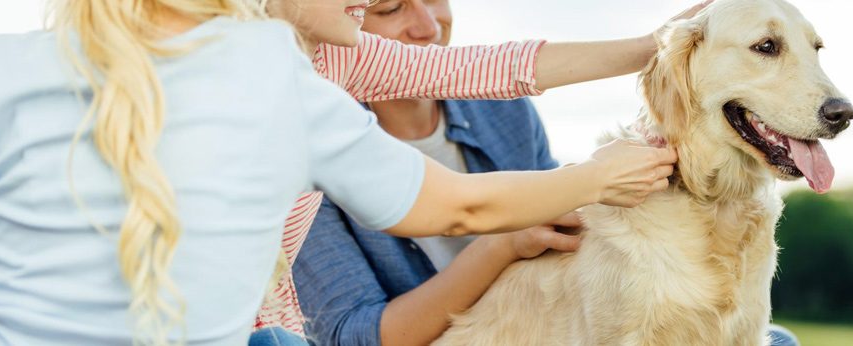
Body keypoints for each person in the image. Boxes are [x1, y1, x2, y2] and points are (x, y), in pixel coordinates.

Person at [0, 0, 692, 345]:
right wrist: (598, 176)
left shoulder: (332, 59)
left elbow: (486, 68)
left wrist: (651, 45)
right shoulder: (285, 78)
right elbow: (454, 209)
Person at [282, 1, 801, 346]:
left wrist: (661, 43)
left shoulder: (369, 64)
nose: (425, 24)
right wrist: (516, 234)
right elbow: (355, 330)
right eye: (390, 7)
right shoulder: (314, 103)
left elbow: (496, 67)